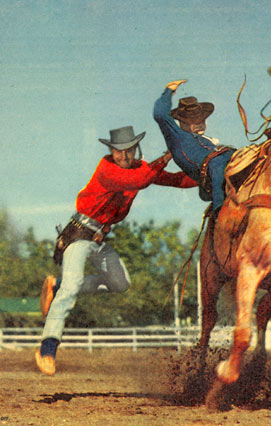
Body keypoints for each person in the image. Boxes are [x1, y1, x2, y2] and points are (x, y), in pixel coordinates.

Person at [36, 125, 197, 376]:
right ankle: (47, 348)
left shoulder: (140, 170)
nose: (123, 156)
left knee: (120, 283)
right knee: (72, 287)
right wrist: (168, 155)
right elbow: (139, 180)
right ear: (111, 151)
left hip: (99, 238)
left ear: (136, 149)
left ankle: (56, 285)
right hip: (79, 235)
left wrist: (208, 175)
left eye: (128, 150)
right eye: (118, 151)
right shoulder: (107, 169)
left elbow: (176, 180)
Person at [153, 79, 235, 214]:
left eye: (201, 119)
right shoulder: (176, 136)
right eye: (191, 121)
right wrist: (169, 90)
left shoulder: (208, 140)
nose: (199, 123)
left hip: (229, 156)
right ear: (181, 122)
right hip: (214, 165)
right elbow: (160, 114)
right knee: (218, 165)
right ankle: (218, 210)